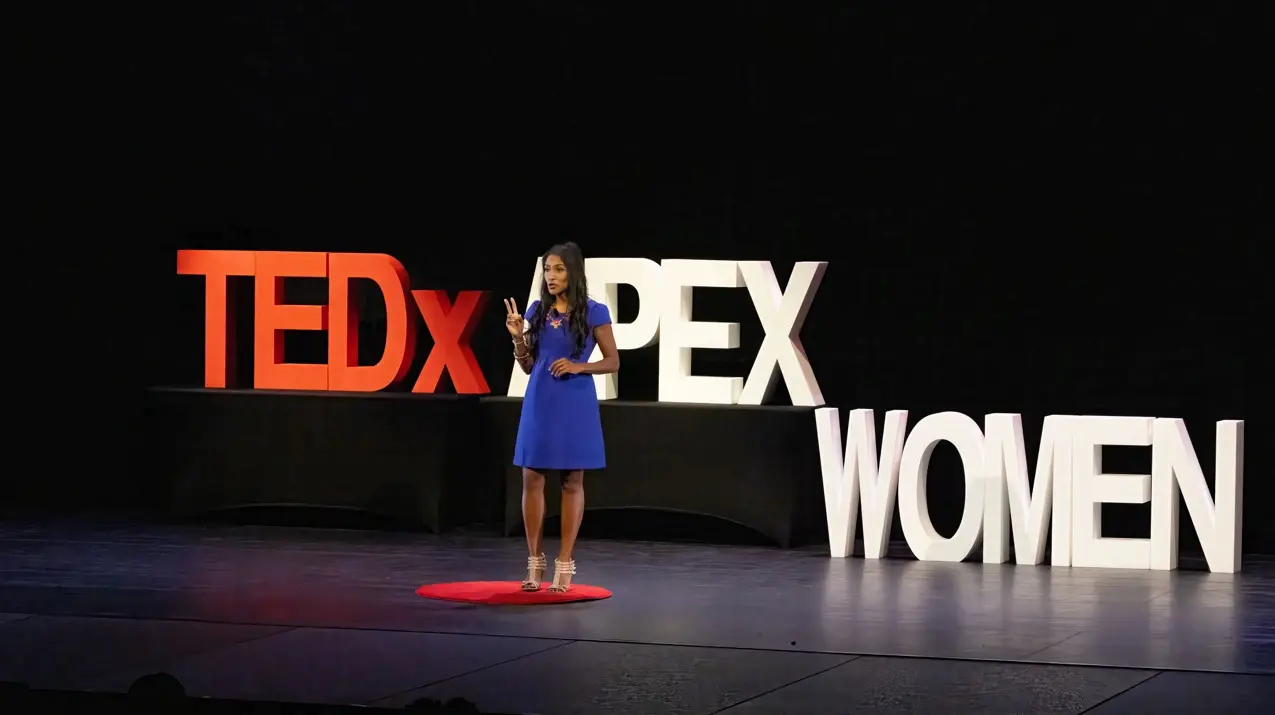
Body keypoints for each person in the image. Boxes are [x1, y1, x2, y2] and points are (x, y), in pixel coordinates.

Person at [504, 242, 619, 593]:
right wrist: (519, 339)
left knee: (571, 480)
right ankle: (534, 562)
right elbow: (527, 366)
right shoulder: (537, 310)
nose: (551, 276)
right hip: (540, 399)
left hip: (575, 402)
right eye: (547, 270)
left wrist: (579, 365)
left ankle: (565, 563)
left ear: (573, 272)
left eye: (558, 269)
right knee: (532, 478)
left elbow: (613, 361)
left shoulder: (594, 312)